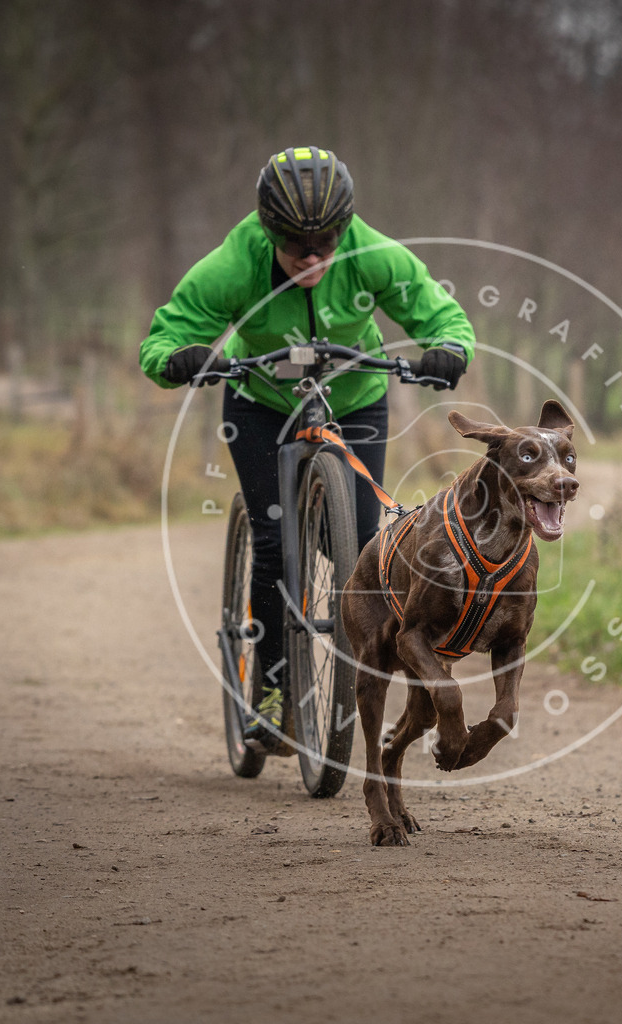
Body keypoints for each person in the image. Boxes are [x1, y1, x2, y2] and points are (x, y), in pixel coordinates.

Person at [140, 145, 475, 748]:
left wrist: (448, 348)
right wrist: (179, 358)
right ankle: (269, 693)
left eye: (328, 241)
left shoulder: (374, 256)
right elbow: (163, 340)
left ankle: (362, 673)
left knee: (360, 550)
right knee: (272, 541)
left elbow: (440, 313)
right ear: (270, 231)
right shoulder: (231, 267)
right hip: (261, 402)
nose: (314, 257)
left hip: (354, 399)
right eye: (297, 244)